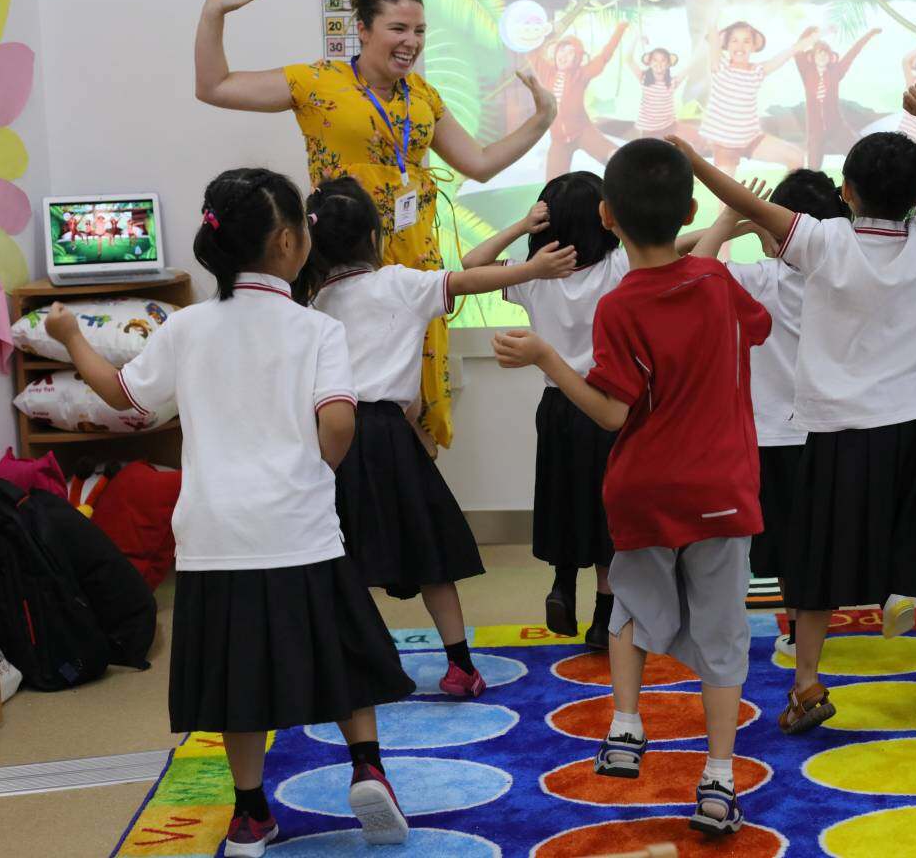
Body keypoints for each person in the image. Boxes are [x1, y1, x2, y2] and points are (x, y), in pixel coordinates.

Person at [43, 168, 416, 857]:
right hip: (298, 527)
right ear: (286, 242)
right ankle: (367, 768)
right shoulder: (315, 329)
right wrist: (314, 470)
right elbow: (338, 423)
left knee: (237, 676)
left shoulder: (187, 328)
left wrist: (70, 334)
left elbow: (125, 398)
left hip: (215, 535)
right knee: (340, 652)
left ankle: (250, 815)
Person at [670, 81, 916, 734]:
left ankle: (809, 681)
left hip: (837, 431)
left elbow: (746, 205)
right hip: (910, 423)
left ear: (845, 193)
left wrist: (699, 164)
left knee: (816, 563)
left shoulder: (822, 243)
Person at [492, 139, 769, 836]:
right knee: (723, 629)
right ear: (691, 208)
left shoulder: (620, 305)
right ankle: (718, 777)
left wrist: (548, 358)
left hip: (644, 489)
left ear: (609, 216)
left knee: (629, 609)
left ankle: (623, 722)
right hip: (722, 490)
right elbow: (754, 328)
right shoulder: (718, 284)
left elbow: (615, 412)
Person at [194, 0, 558, 451]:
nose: (412, 42)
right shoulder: (317, 82)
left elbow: (481, 163)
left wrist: (542, 119)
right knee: (345, 395)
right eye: (399, 29)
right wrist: (213, 12)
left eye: (421, 31)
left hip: (412, 266)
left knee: (415, 398)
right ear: (363, 30)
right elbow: (215, 86)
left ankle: (411, 498)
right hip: (340, 267)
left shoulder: (423, 97)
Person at [298, 178, 576, 696]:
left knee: (344, 557)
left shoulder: (315, 305)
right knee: (428, 555)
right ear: (373, 236)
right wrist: (535, 268)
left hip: (332, 438)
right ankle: (459, 665)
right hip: (387, 437)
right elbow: (469, 283)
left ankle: (360, 664)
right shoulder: (399, 283)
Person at [689, 169, 851, 657]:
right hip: (835, 429)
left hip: (771, 437)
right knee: (821, 537)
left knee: (780, 540)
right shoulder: (845, 277)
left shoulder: (761, 279)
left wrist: (729, 221)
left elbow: (691, 267)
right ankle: (813, 625)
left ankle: (799, 626)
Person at [462, 172, 627, 648]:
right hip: (604, 403)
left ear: (544, 223)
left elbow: (473, 264)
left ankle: (561, 584)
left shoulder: (534, 275)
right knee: (606, 510)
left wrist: (519, 226)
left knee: (562, 497)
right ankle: (603, 614)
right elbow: (669, 246)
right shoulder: (618, 267)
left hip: (556, 404)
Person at [698, 20, 818, 175]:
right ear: (726, 45)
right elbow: (712, 32)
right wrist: (713, 9)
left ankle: (785, 196)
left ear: (754, 47)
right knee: (727, 198)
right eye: (734, 41)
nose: (740, 46)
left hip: (750, 139)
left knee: (796, 157)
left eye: (746, 41)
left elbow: (786, 54)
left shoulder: (757, 71)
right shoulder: (720, 67)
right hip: (725, 145)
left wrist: (810, 40)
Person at [532, 23, 631, 179]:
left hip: (582, 131)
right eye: (562, 50)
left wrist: (619, 30)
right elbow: (531, 52)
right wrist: (536, 32)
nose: (564, 55)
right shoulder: (547, 72)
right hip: (558, 140)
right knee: (552, 185)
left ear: (577, 59)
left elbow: (604, 56)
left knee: (617, 158)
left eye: (570, 53)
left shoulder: (581, 74)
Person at [795, 29, 881, 167]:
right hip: (815, 133)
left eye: (825, 52)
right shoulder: (807, 72)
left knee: (861, 156)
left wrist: (869, 35)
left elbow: (852, 53)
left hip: (837, 128)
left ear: (830, 57)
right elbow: (798, 49)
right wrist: (813, 31)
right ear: (813, 56)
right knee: (812, 171)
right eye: (819, 52)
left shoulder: (835, 72)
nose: (823, 55)